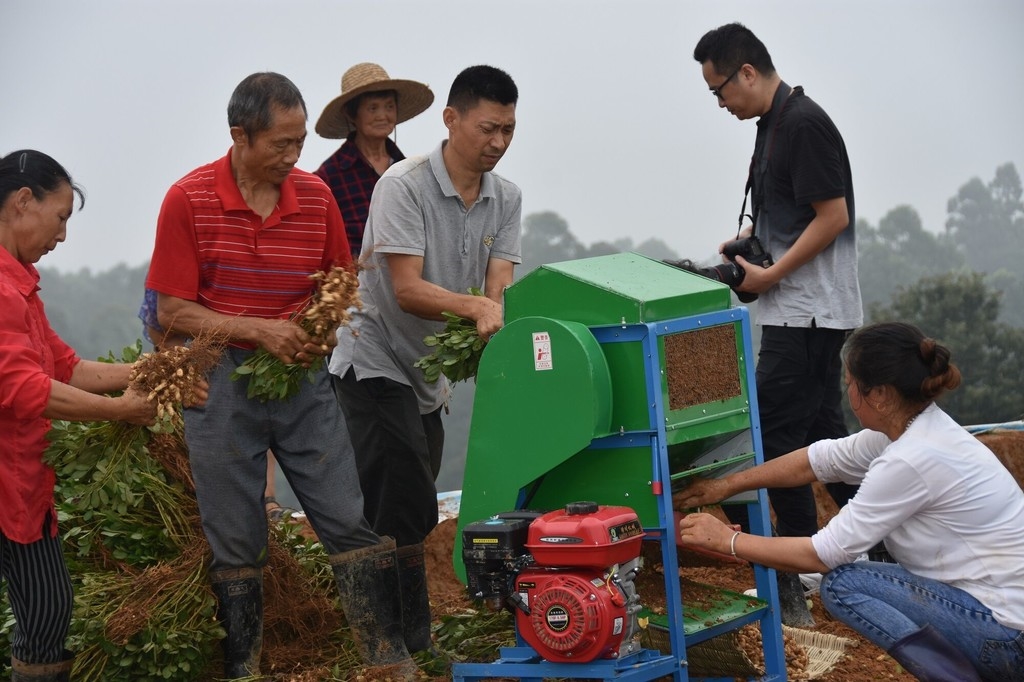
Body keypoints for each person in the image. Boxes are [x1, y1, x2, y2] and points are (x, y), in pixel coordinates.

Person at [144, 72, 418, 678]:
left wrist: (315, 331)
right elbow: (172, 310)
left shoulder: (315, 197)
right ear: (240, 135)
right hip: (218, 378)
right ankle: (245, 666)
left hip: (300, 376)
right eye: (280, 144)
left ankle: (388, 659)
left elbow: (338, 281)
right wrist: (258, 329)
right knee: (237, 532)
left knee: (346, 514)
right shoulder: (188, 199)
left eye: (299, 143)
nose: (293, 157)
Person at [676, 322, 1024, 681]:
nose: (848, 394)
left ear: (880, 395)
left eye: (851, 385)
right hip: (999, 613)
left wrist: (727, 541)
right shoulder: (917, 431)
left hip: (1007, 637)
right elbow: (817, 460)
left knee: (844, 585)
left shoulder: (909, 459)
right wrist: (727, 485)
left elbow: (823, 554)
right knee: (852, 572)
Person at [329, 65, 521, 654]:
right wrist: (479, 309)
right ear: (451, 120)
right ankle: (398, 641)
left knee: (407, 493)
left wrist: (495, 318)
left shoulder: (506, 198)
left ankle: (388, 630)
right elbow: (407, 290)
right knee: (408, 495)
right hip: (373, 356)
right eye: (488, 128)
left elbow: (498, 291)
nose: (498, 141)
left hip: (427, 374)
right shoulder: (402, 186)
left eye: (509, 129)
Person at [692, 22, 863, 624]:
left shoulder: (804, 123)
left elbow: (832, 216)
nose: (720, 102)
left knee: (773, 439)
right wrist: (748, 244)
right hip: (798, 308)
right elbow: (789, 213)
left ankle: (794, 585)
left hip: (808, 310)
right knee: (825, 438)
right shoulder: (773, 125)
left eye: (719, 90)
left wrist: (770, 274)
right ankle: (886, 555)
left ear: (746, 72)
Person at [0, 150, 158, 681]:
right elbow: (23, 389)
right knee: (46, 612)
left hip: (23, 481)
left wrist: (150, 372)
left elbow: (64, 368)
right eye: (61, 217)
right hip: (6, 483)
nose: (62, 235)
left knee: (47, 611)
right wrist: (121, 410)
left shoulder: (21, 285)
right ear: (24, 201)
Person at [137, 288, 293, 521]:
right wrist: (181, 367)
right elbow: (157, 321)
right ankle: (201, 504)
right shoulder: (179, 267)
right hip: (193, 360)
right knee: (195, 434)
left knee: (258, 417)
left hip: (247, 352)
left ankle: (266, 499)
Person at [313, 62, 434, 260]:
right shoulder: (329, 176)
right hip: (354, 283)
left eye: (389, 106)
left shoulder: (410, 172)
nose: (382, 116)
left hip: (407, 277)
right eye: (372, 108)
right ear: (352, 114)